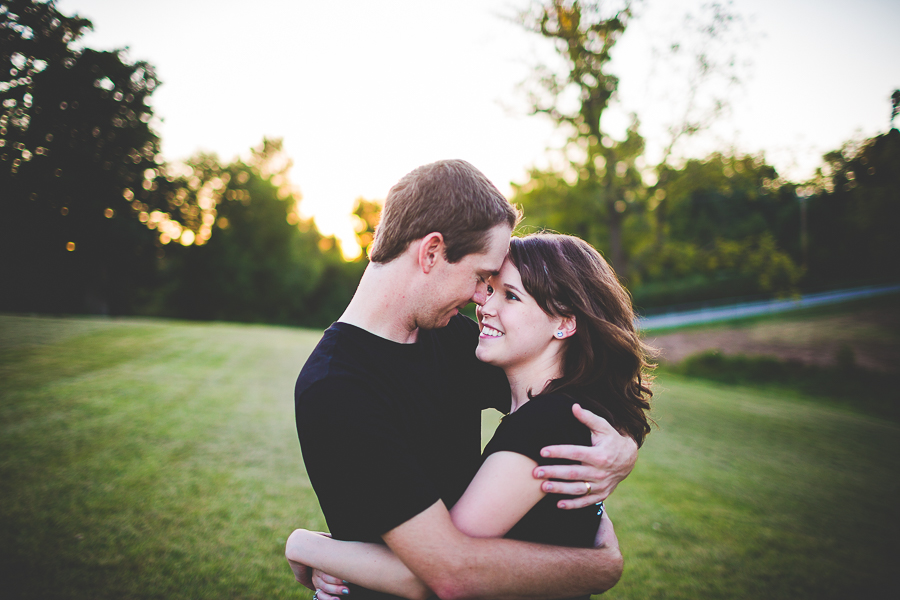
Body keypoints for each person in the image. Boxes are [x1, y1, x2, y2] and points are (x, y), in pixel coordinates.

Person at [290, 160, 639, 600]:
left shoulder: (451, 337)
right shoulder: (337, 388)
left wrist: (622, 446)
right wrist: (600, 566)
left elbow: (568, 392)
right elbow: (448, 571)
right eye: (480, 277)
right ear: (431, 253)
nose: (481, 299)